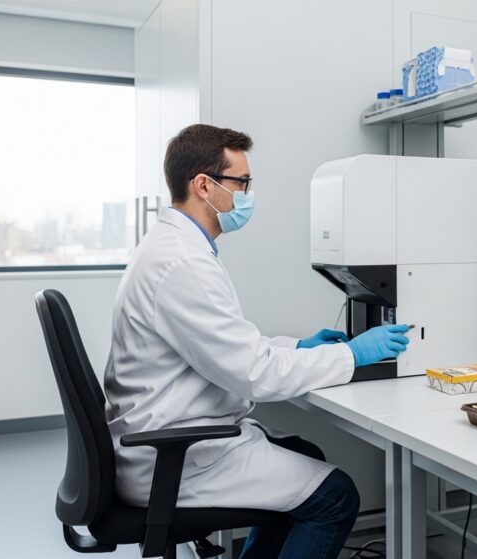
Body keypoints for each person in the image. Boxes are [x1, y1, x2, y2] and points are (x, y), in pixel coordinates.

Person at [103, 124, 410, 558]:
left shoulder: (174, 247)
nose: (248, 193)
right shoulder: (182, 263)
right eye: (241, 182)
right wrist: (351, 354)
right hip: (174, 455)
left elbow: (227, 344)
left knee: (306, 452)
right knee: (336, 497)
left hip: (170, 433)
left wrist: (300, 347)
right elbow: (255, 375)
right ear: (204, 186)